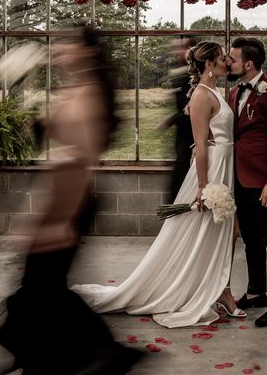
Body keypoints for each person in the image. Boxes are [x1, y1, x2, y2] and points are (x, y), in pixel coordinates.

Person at [0, 26, 142, 375]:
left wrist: (57, 221)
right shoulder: (77, 89)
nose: (59, 50)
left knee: (41, 296)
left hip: (70, 202)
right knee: (40, 295)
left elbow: (81, 163)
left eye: (68, 45)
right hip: (60, 198)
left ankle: (102, 359)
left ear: (88, 53)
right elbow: (56, 141)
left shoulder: (90, 95)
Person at [73, 41, 245, 327]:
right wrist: (204, 187)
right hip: (212, 171)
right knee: (204, 234)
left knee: (227, 233)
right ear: (209, 65)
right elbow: (200, 146)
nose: (228, 62)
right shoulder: (202, 95)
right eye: (222, 58)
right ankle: (207, 291)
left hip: (225, 166)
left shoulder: (216, 91)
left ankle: (222, 290)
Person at [228, 37, 267, 327]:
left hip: (265, 182)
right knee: (251, 241)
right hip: (240, 179)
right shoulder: (233, 92)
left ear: (249, 63)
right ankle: (256, 292)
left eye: (232, 59)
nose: (228, 63)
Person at [159, 36, 197, 203]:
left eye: (182, 47)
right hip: (182, 137)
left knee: (182, 183)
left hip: (193, 137)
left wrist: (171, 119)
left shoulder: (195, 77)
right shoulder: (181, 71)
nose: (177, 52)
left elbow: (193, 109)